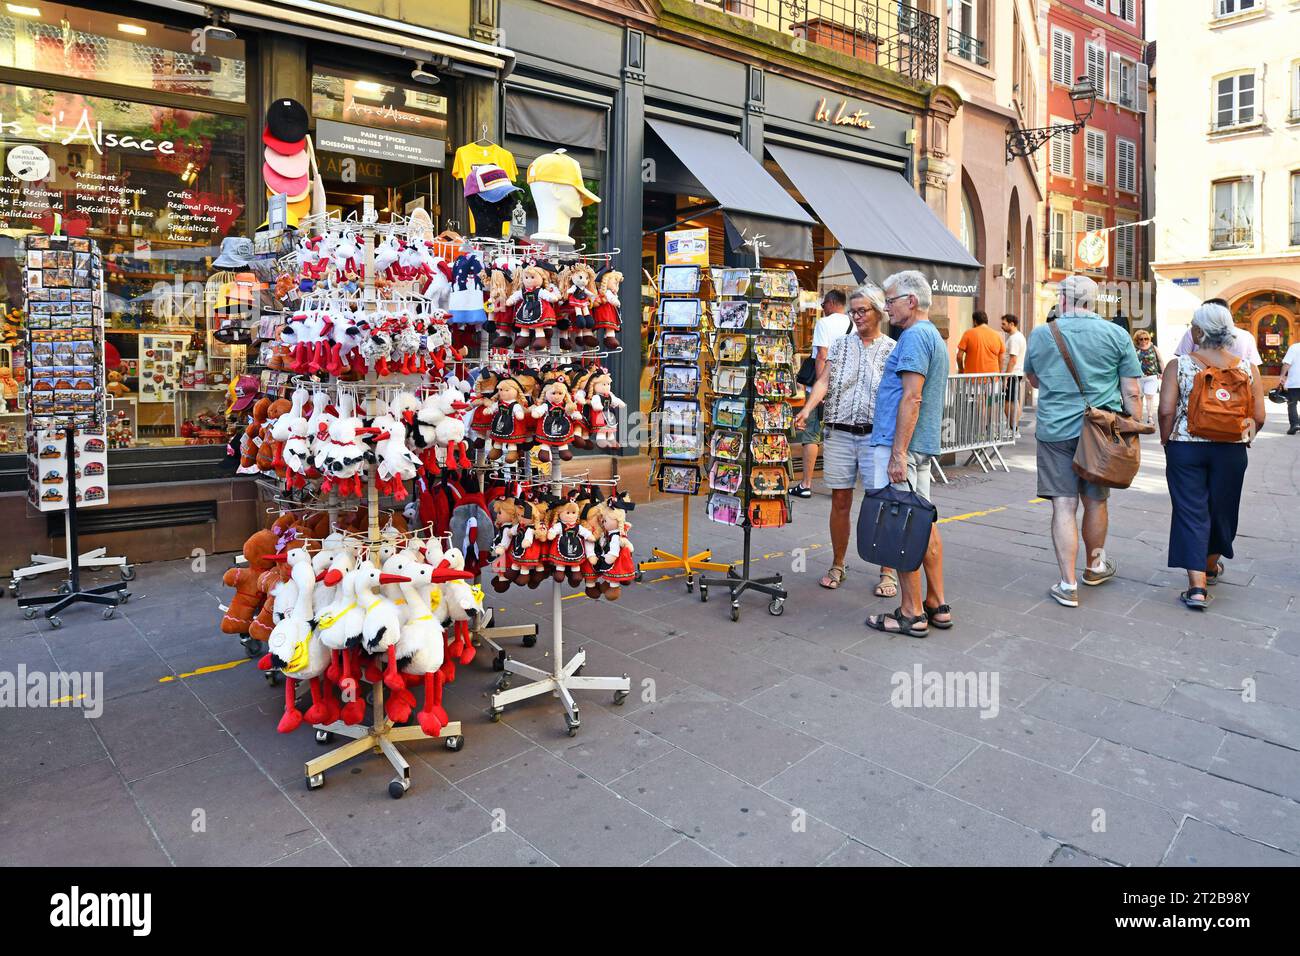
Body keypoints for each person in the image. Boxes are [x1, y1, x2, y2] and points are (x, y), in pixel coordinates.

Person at [1023, 274, 1143, 608]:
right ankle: (1095, 565)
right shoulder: (1116, 334)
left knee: (1063, 504)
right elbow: (1131, 389)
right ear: (1093, 301)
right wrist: (1134, 426)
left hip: (1055, 430)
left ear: (1061, 300)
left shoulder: (1041, 334)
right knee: (1096, 501)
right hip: (1101, 432)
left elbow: (1032, 379)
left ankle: (1067, 583)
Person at [1158, 303, 1265, 610]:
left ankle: (1196, 588)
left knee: (1190, 510)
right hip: (1231, 449)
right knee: (1222, 509)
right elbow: (1257, 415)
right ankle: (1209, 564)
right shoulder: (1247, 368)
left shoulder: (1179, 366)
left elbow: (1166, 410)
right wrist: (1242, 441)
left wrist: (1168, 440)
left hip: (1186, 448)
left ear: (1199, 331)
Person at [794, 285, 898, 596]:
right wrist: (808, 408)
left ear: (878, 312)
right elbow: (824, 379)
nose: (857, 316)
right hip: (839, 432)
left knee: (880, 504)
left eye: (862, 310)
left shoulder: (892, 349)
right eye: (853, 311)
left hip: (874, 437)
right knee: (840, 501)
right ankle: (838, 563)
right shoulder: (839, 345)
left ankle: (887, 571)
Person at [863, 270, 950, 637]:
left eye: (891, 301)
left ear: (910, 302)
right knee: (923, 522)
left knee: (902, 527)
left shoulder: (914, 337)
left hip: (904, 447)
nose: (887, 308)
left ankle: (911, 611)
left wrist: (898, 452)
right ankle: (936, 604)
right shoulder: (931, 336)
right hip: (918, 445)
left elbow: (912, 397)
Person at [793, 289, 852, 498]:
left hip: (823, 388)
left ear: (832, 303)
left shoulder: (824, 324)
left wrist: (820, 388)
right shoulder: (853, 325)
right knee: (838, 436)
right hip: (845, 389)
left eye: (824, 303)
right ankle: (839, 486)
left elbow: (822, 356)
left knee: (812, 434)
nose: (822, 308)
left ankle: (806, 484)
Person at [1173, 298, 1262, 370]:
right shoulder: (1249, 367)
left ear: (1199, 331)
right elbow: (1254, 364)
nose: (1191, 329)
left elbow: (1182, 358)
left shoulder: (1179, 366)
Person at [1001, 314, 1027, 433]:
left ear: (1012, 324)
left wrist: (1006, 377)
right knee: (1014, 401)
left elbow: (1013, 359)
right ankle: (1014, 428)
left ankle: (1013, 428)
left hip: (1012, 374)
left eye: (1004, 324)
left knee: (1008, 401)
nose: (1002, 326)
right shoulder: (1017, 337)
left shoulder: (1015, 338)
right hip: (1015, 374)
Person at [1133, 328, 1163, 425]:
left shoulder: (1153, 348)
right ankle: (1140, 417)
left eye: (1146, 338)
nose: (1144, 341)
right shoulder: (1134, 349)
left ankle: (1150, 417)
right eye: (1141, 339)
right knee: (1139, 397)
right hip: (1138, 377)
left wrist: (1163, 372)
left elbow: (1160, 361)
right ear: (1137, 339)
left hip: (1152, 377)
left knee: (1149, 397)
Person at [1279, 341, 1300, 435]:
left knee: (1292, 404)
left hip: (1295, 382)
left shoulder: (1294, 347)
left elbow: (1287, 363)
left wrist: (1282, 376)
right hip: (1294, 382)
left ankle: (1295, 424)